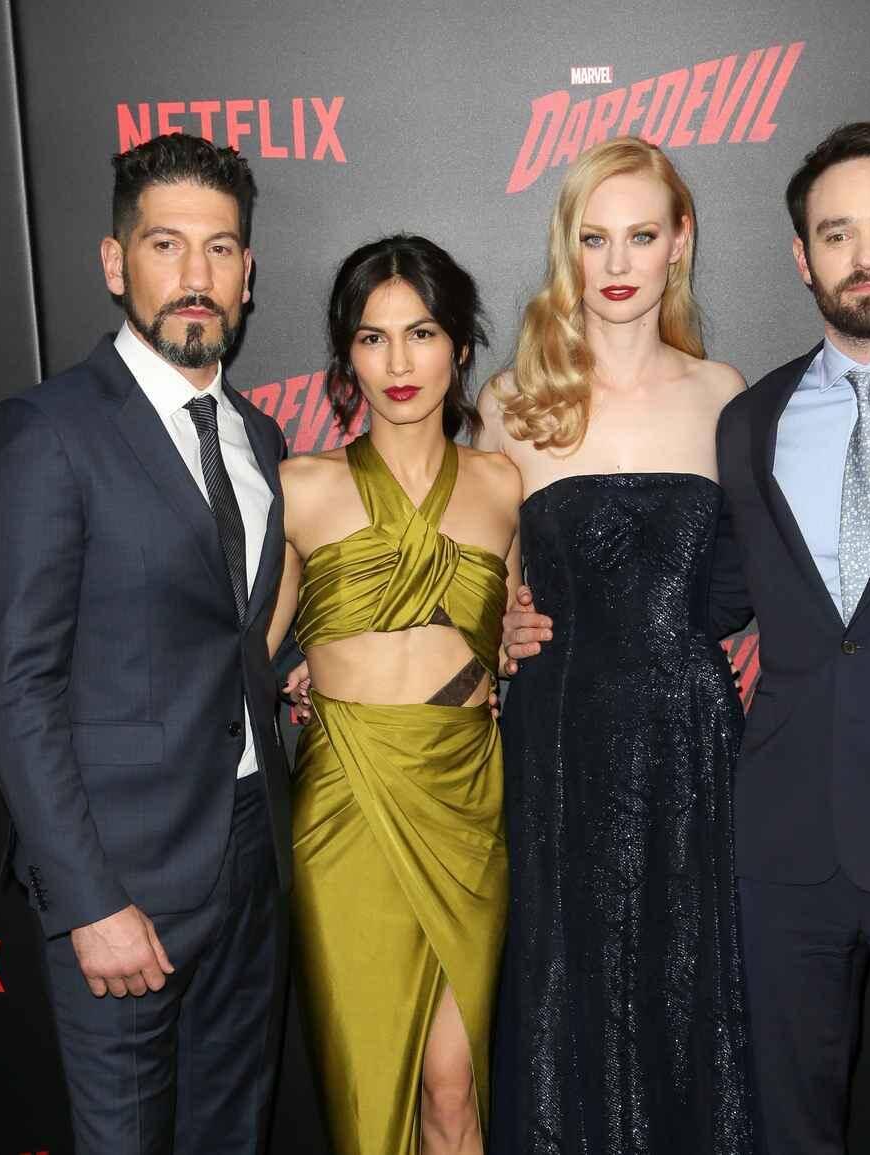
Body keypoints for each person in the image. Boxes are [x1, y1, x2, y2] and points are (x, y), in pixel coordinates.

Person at [508, 121, 870, 1154]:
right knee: (782, 1127)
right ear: (801, 256)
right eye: (836, 234)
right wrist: (529, 620)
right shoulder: (753, 416)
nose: (864, 254)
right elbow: (705, 595)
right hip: (775, 843)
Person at [0, 134, 292, 1153]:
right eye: (165, 244)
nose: (196, 276)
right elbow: (16, 687)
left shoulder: (259, 438)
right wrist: (88, 903)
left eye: (220, 249)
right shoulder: (45, 432)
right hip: (122, 882)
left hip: (253, 859)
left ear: (247, 273)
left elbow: (229, 635)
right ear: (116, 264)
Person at [477, 137, 756, 1152]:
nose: (618, 262)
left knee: (693, 988)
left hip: (691, 739)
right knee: (569, 989)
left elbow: (760, 573)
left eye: (640, 235)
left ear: (679, 241)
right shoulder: (510, 403)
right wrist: (498, 626)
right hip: (562, 744)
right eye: (595, 239)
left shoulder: (723, 393)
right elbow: (478, 585)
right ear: (569, 249)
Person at [266, 235, 520, 1155]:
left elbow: (514, 639)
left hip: (468, 800)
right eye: (373, 339)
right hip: (347, 807)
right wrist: (293, 672)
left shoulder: (503, 485)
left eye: (422, 333)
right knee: (371, 1094)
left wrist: (520, 645)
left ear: (461, 344)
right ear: (347, 356)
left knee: (456, 1088)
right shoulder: (301, 486)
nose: (399, 363)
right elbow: (250, 653)